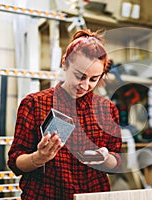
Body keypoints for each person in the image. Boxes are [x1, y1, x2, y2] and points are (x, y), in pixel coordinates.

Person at [7, 29, 122, 199]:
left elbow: (117, 162)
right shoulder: (34, 104)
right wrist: (38, 158)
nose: (84, 85)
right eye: (79, 76)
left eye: (93, 79)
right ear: (65, 63)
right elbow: (15, 162)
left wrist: (105, 158)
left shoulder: (107, 109)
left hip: (92, 195)